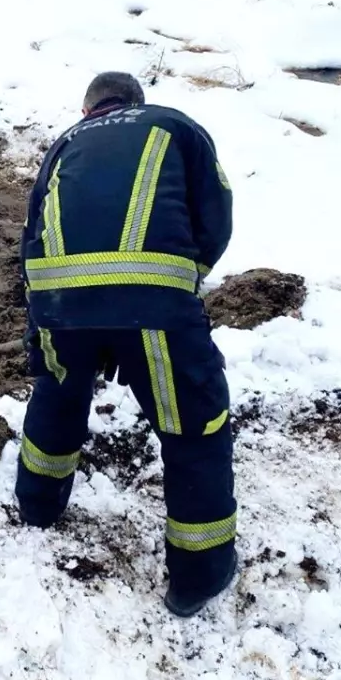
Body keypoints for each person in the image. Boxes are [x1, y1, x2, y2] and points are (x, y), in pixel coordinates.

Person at [17, 71, 237, 617]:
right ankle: (198, 577)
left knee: (58, 395)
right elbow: (215, 214)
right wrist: (182, 279)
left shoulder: (65, 142)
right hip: (153, 301)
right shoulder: (174, 126)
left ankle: (37, 508)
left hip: (58, 300)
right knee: (194, 425)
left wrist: (55, 310)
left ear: (89, 108)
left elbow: (32, 229)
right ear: (135, 102)